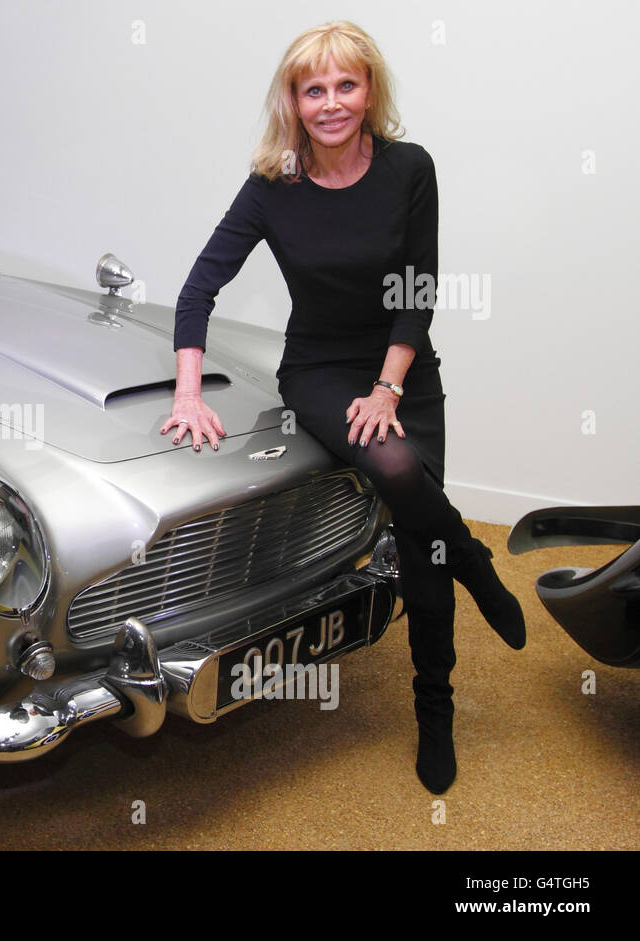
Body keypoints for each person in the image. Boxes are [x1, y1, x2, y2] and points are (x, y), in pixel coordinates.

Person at [160, 20, 525, 794]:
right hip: (322, 370)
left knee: (417, 534)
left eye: (346, 85)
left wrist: (391, 384)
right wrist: (188, 391)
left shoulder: (409, 169)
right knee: (397, 470)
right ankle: (477, 560)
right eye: (313, 88)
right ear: (292, 100)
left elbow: (417, 291)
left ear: (369, 91)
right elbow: (198, 289)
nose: (331, 103)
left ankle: (435, 706)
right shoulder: (272, 184)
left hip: (401, 368)